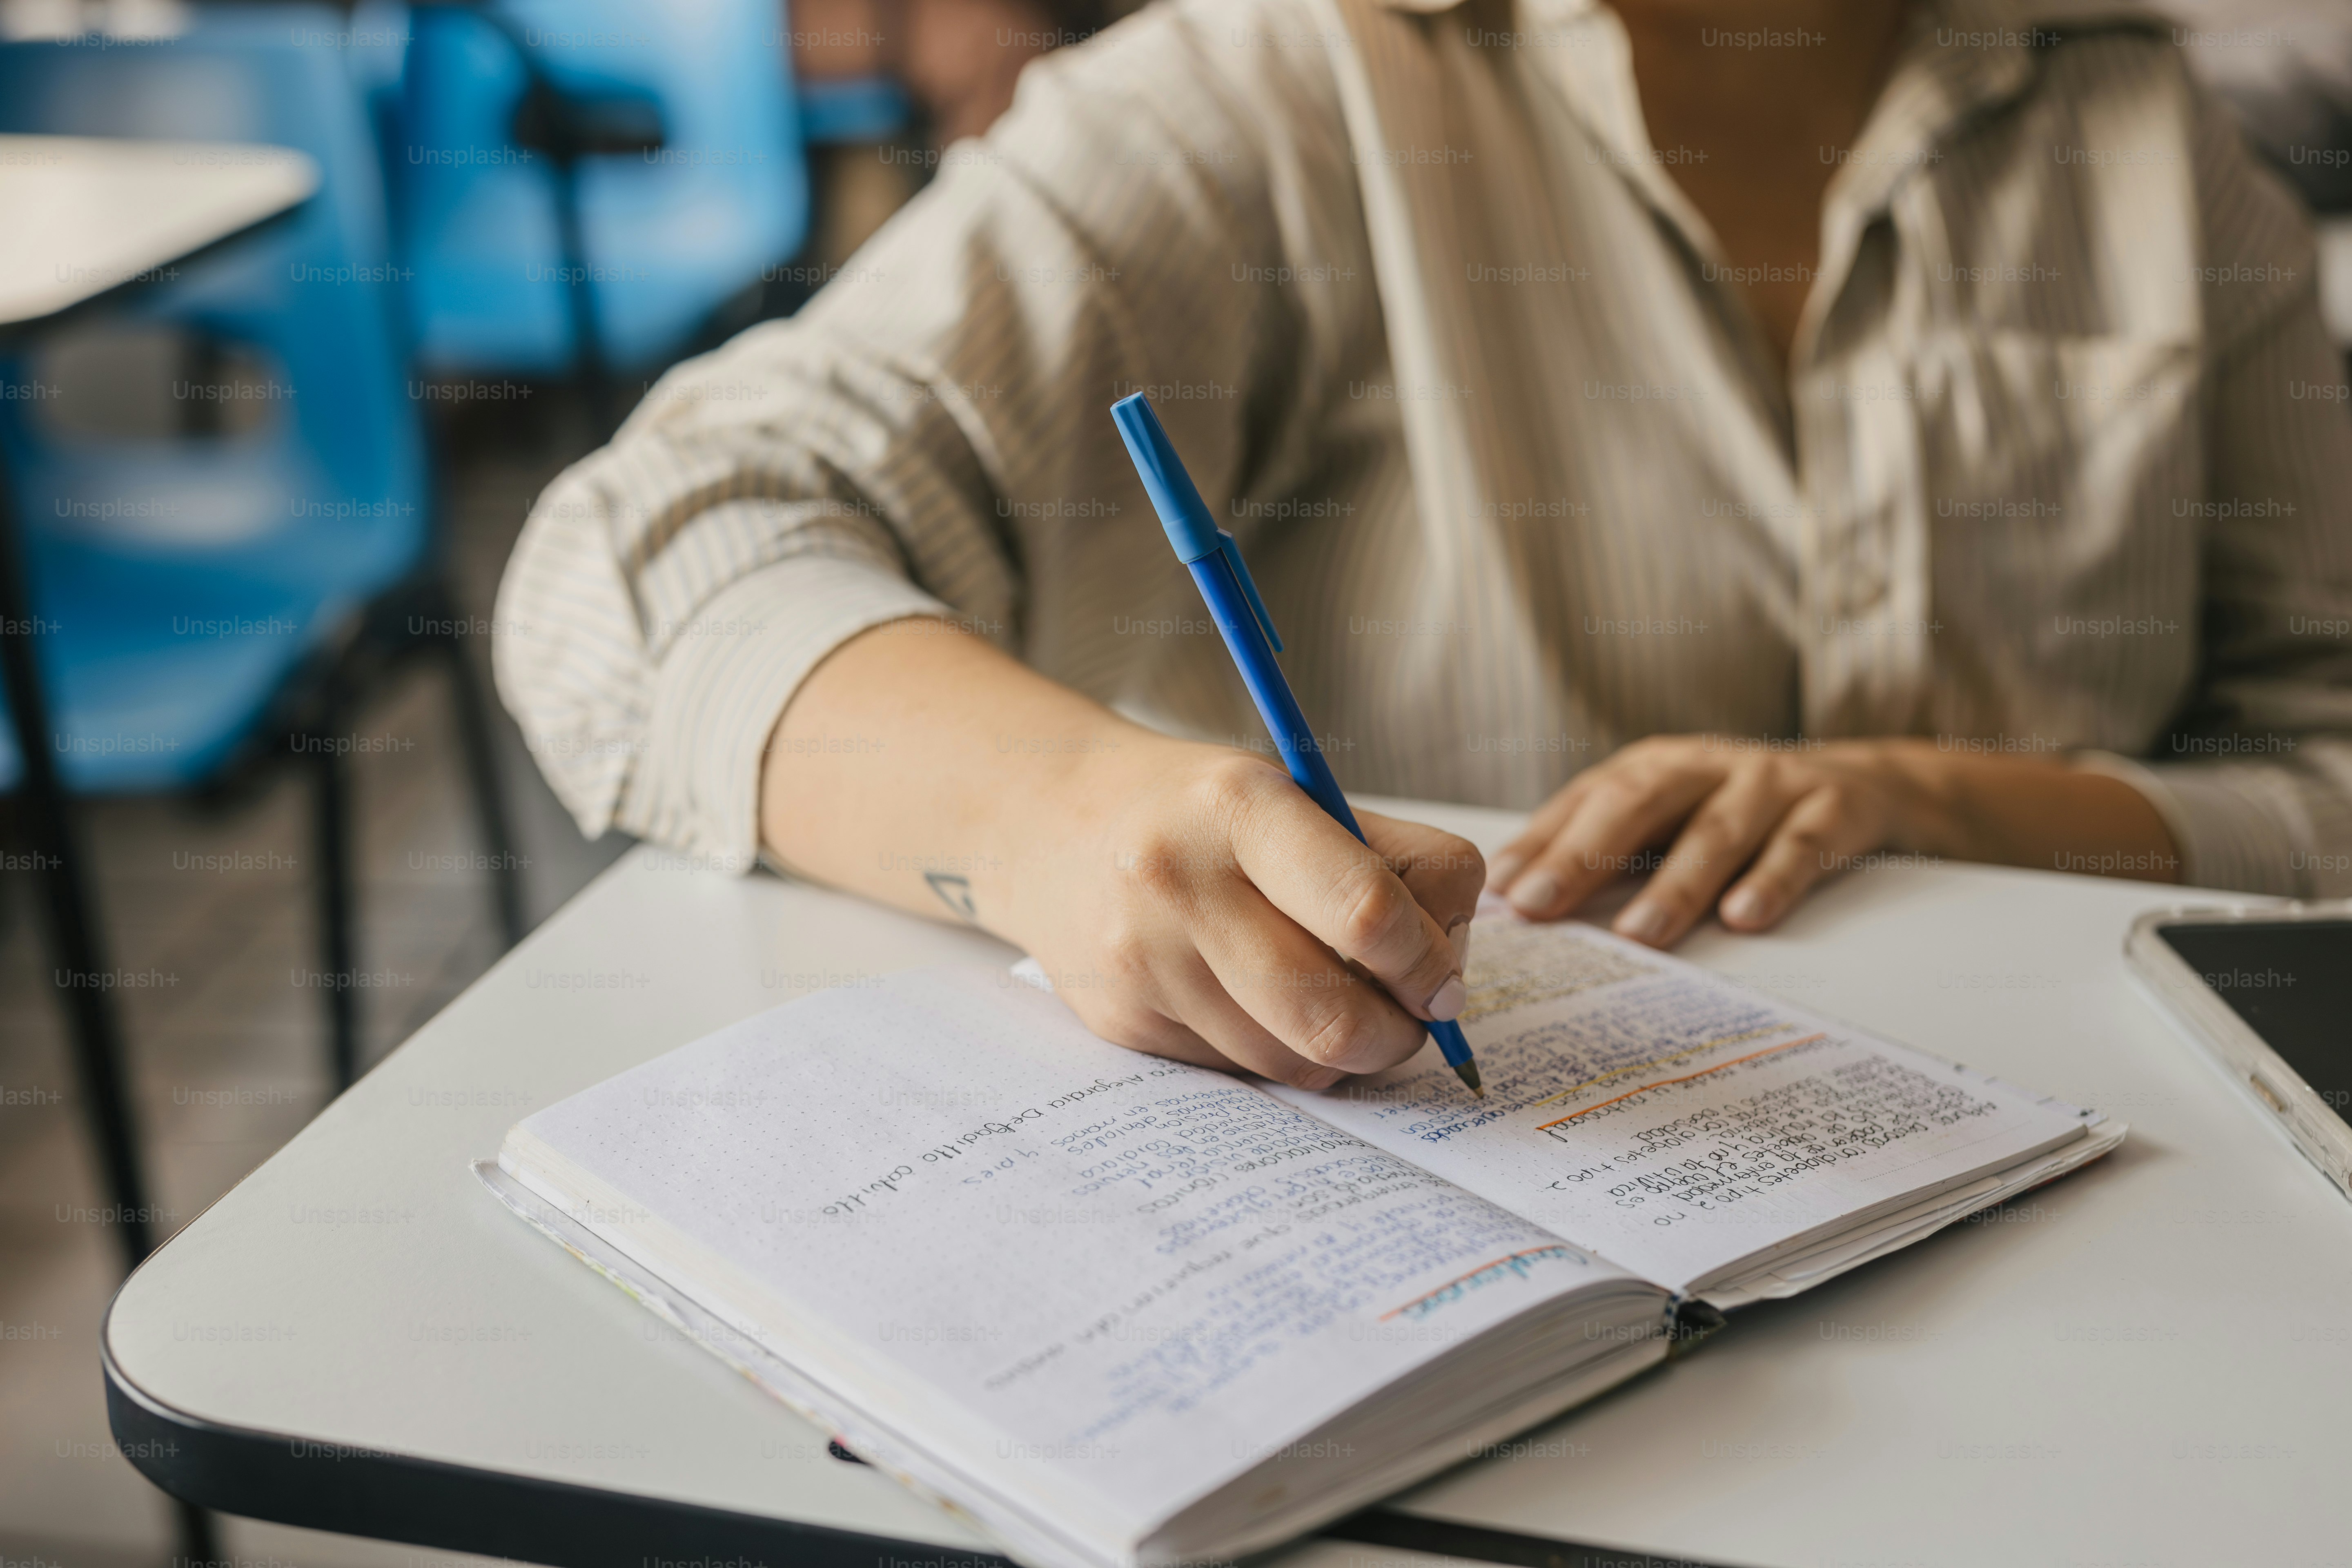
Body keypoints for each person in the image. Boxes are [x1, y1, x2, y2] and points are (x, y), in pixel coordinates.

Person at [495, 0, 2352, 1094]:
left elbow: (2327, 753)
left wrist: (1948, 802)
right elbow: (639, 564)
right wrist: (1050, 815)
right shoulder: (1281, 91)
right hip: (1427, 1260)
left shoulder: (2145, 133)